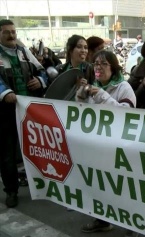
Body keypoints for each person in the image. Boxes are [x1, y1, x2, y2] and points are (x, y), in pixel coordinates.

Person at [78, 50, 136, 234]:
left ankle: (132, 225)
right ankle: (102, 220)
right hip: (97, 146)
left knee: (124, 187)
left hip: (119, 147)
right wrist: (80, 96)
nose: (98, 67)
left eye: (103, 64)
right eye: (95, 64)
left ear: (113, 67)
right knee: (100, 184)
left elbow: (126, 114)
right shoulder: (93, 86)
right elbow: (80, 114)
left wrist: (102, 95)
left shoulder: (124, 87)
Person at [0, 19, 48, 208]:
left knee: (35, 148)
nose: (12, 35)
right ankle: (11, 190)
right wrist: (5, 93)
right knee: (7, 154)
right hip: (4, 114)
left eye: (13, 32)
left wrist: (39, 80)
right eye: (7, 33)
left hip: (29, 112)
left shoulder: (23, 51)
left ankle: (41, 184)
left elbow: (44, 71)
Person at [55, 35, 94, 100]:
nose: (83, 50)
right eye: (79, 47)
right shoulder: (60, 69)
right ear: (70, 50)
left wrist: (87, 87)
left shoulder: (91, 69)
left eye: (85, 47)